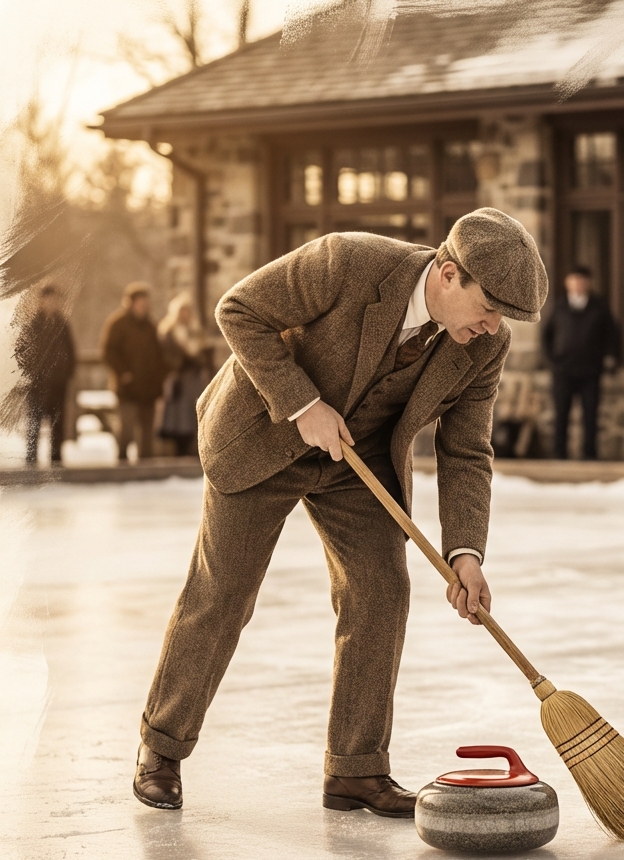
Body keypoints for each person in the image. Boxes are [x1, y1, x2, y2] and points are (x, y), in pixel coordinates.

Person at [133, 208, 548, 816]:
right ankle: (161, 747)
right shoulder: (349, 263)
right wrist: (301, 403)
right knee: (224, 591)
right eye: (489, 307)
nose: (492, 326)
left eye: (504, 318)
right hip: (263, 437)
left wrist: (465, 552)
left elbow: (465, 450)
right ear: (449, 272)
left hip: (361, 461)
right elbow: (238, 310)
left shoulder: (484, 347)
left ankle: (356, 770)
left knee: (382, 590)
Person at [542, 266, 618, 460]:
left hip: (590, 370)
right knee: (561, 414)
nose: (578, 284)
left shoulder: (599, 307)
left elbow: (611, 335)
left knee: (590, 415)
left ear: (588, 283)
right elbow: (546, 337)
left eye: (582, 280)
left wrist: (609, 358)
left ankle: (589, 454)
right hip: (563, 370)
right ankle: (559, 454)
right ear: (567, 283)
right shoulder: (558, 307)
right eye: (574, 280)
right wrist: (552, 361)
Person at [101, 282, 168, 460]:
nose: (145, 307)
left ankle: (145, 467)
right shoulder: (117, 324)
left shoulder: (151, 326)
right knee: (126, 431)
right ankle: (122, 463)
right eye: (141, 303)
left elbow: (159, 356)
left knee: (147, 433)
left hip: (149, 387)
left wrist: (159, 379)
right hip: (127, 387)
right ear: (131, 303)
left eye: (146, 303)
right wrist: (123, 373)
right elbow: (109, 352)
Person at [14, 283, 76, 466]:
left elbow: (71, 353)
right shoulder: (32, 325)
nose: (53, 302)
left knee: (58, 425)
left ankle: (56, 462)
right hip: (37, 385)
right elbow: (21, 353)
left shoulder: (63, 325)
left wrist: (67, 374)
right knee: (34, 423)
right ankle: (31, 462)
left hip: (59, 384)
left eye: (56, 299)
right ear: (41, 301)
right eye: (49, 298)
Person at [157, 292, 215, 457]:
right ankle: (178, 448)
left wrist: (201, 360)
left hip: (195, 378)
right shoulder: (169, 331)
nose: (185, 314)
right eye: (182, 311)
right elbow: (166, 356)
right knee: (177, 415)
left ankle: (193, 448)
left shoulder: (196, 331)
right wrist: (179, 364)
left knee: (193, 413)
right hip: (178, 378)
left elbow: (205, 355)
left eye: (187, 311)